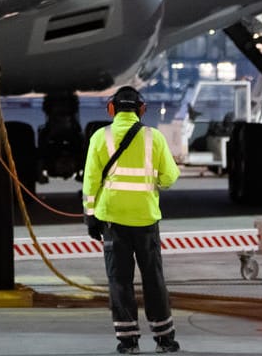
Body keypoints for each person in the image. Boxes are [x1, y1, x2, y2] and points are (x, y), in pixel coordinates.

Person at [82, 85, 180, 353]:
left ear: (112, 109)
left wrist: (91, 217)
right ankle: (165, 339)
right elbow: (170, 178)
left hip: (112, 220)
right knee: (153, 278)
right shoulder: (154, 138)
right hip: (146, 219)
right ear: (141, 110)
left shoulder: (100, 138)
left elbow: (90, 181)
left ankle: (128, 342)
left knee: (120, 280)